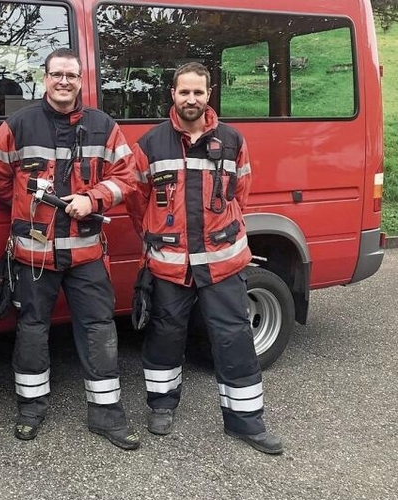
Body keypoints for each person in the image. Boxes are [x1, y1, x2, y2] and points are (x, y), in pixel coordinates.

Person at [0, 48, 139, 450]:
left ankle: (106, 413)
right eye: (57, 75)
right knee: (32, 330)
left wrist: (96, 198)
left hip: (87, 254)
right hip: (35, 256)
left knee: (99, 330)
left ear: (81, 79)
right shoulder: (18, 124)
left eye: (71, 75)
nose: (64, 82)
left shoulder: (104, 126)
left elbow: (128, 177)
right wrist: (28, 210)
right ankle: (30, 407)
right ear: (45, 78)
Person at [125, 62, 283, 454]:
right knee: (165, 335)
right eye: (184, 92)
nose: (190, 99)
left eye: (198, 92)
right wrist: (159, 238)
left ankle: (246, 421)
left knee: (234, 338)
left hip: (223, 262)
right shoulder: (149, 145)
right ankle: (161, 406)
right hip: (170, 263)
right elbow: (135, 201)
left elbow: (241, 194)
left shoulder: (232, 140)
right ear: (172, 95)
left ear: (208, 94)